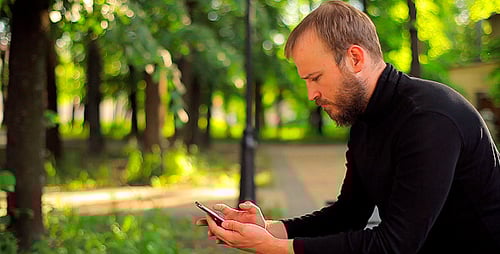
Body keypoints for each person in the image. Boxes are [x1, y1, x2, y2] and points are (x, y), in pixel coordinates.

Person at [196, 1, 500, 253]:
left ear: (355, 58)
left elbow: (396, 245)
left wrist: (275, 247)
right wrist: (269, 229)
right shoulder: (365, 118)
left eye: (315, 78)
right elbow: (349, 213)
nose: (311, 95)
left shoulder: (430, 118)